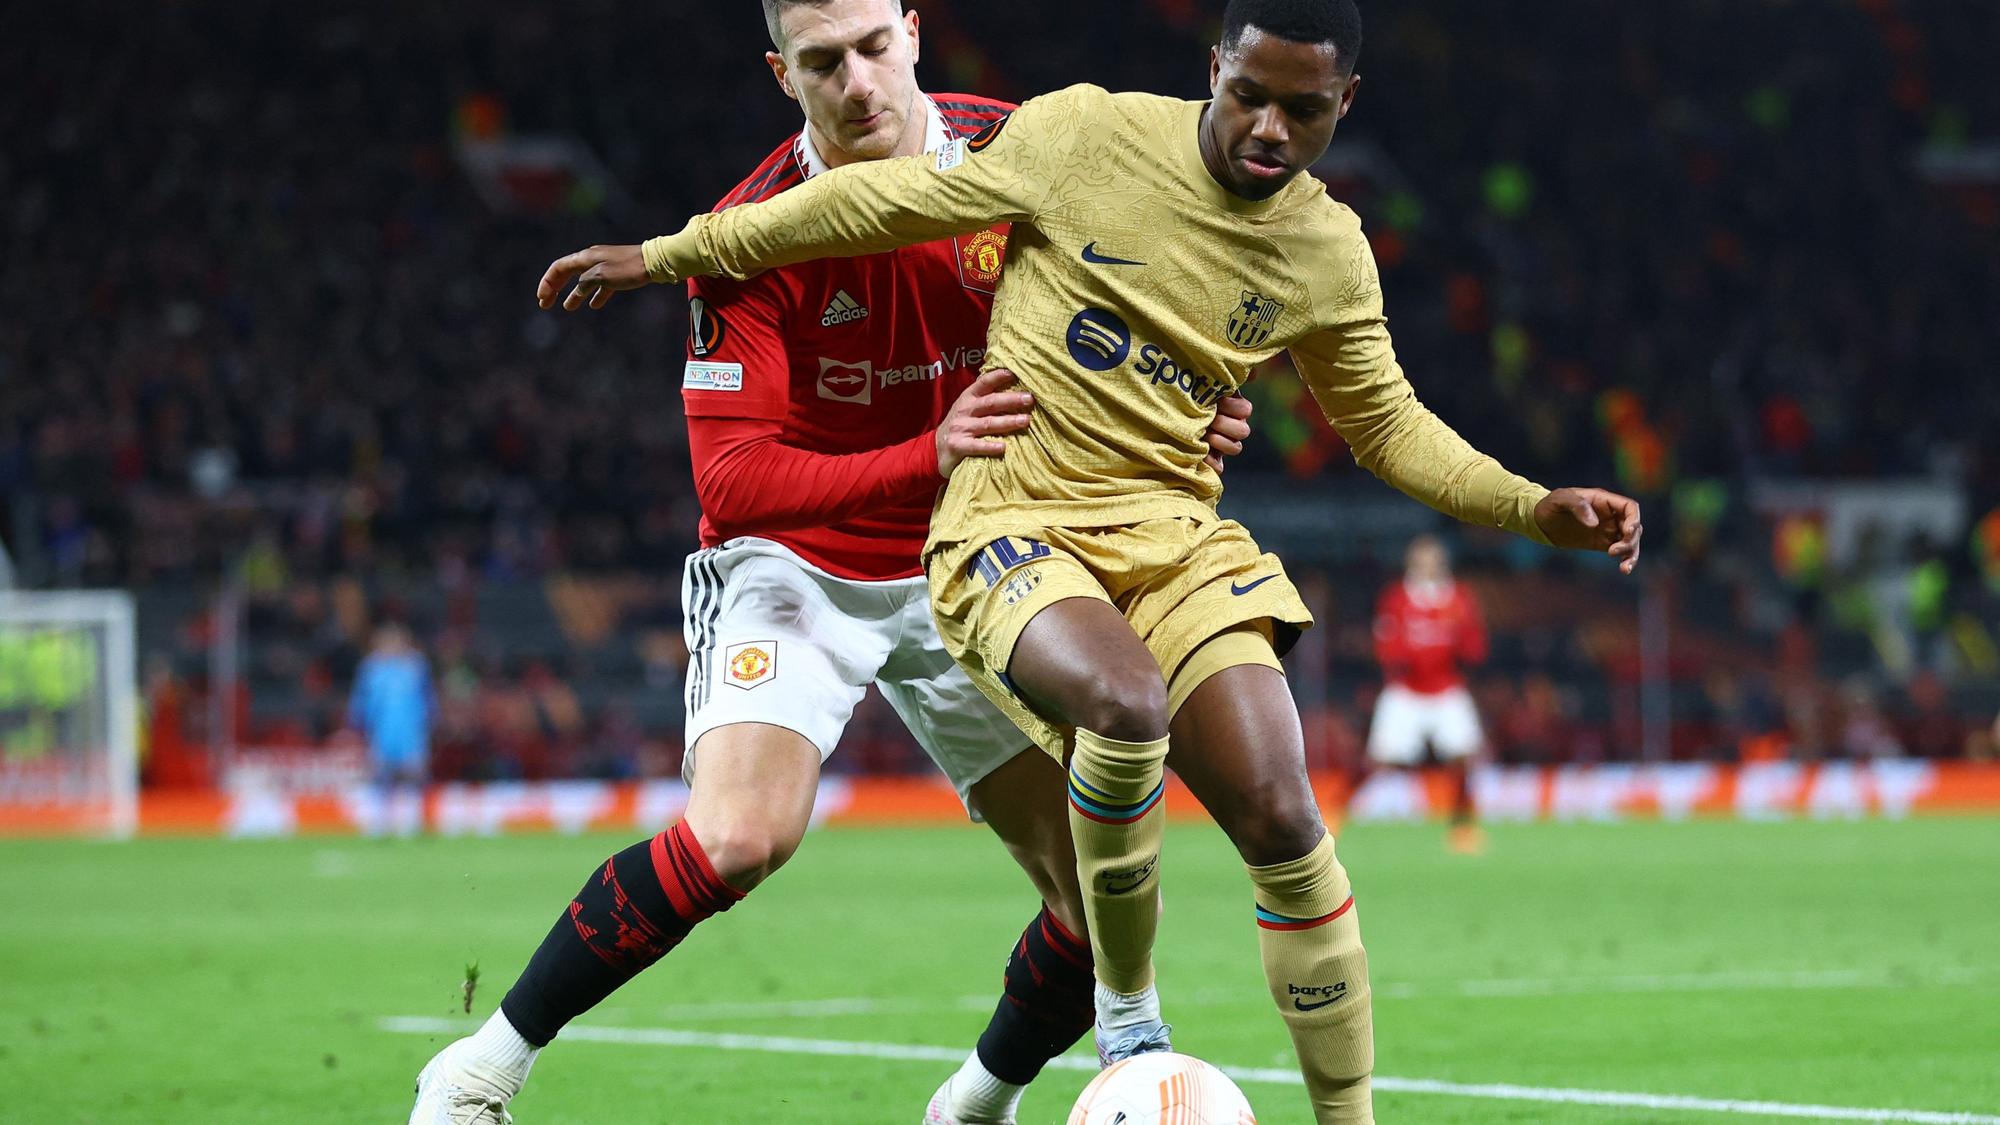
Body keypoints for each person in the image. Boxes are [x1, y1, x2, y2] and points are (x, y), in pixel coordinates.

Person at [540, 0, 1644, 1118]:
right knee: (1124, 704)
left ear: (1341, 106)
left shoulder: (1326, 249)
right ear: (1213, 68)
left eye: (1301, 110)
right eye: (1247, 94)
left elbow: (1384, 425)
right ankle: (1129, 1020)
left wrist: (1531, 505)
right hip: (1010, 521)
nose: (1267, 127)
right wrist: (667, 253)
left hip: (1170, 534)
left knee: (1282, 817)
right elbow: (876, 201)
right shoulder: (1082, 137)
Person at [409, 3, 1254, 1123]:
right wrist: (926, 448)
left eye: (871, 46)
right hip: (799, 568)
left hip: (978, 554)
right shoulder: (750, 233)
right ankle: (480, 1068)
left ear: (912, 31)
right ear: (781, 73)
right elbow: (736, 484)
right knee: (738, 840)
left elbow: (1136, 315)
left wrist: (1192, 402)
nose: (856, 82)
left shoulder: (1023, 153)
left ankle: (973, 1105)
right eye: (821, 62)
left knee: (1096, 893)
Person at [1363, 534, 1491, 853]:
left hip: (1447, 688)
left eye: (1432, 559)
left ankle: (1462, 827)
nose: (1427, 565)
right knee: (1377, 759)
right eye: (1421, 560)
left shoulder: (1458, 598)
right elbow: (1386, 647)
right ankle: (1333, 814)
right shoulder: (1397, 599)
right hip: (1406, 691)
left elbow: (1475, 648)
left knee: (1464, 756)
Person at [348, 622, 434, 838]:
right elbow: (362, 698)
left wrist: (429, 721)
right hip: (382, 732)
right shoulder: (371, 668)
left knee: (412, 777)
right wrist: (358, 722)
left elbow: (428, 697)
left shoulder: (416, 666)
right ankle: (379, 822)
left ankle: (411, 822)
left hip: (410, 732)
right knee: (380, 777)